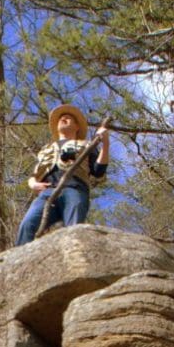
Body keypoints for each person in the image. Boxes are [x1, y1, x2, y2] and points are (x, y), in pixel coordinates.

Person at [16, 104, 109, 245]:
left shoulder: (86, 145)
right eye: (61, 118)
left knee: (74, 229)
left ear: (77, 127)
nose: (63, 119)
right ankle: (21, 257)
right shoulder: (46, 149)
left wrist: (106, 143)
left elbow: (98, 171)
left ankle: (75, 257)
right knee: (28, 224)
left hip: (75, 189)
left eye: (68, 118)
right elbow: (34, 174)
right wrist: (33, 184)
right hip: (47, 192)